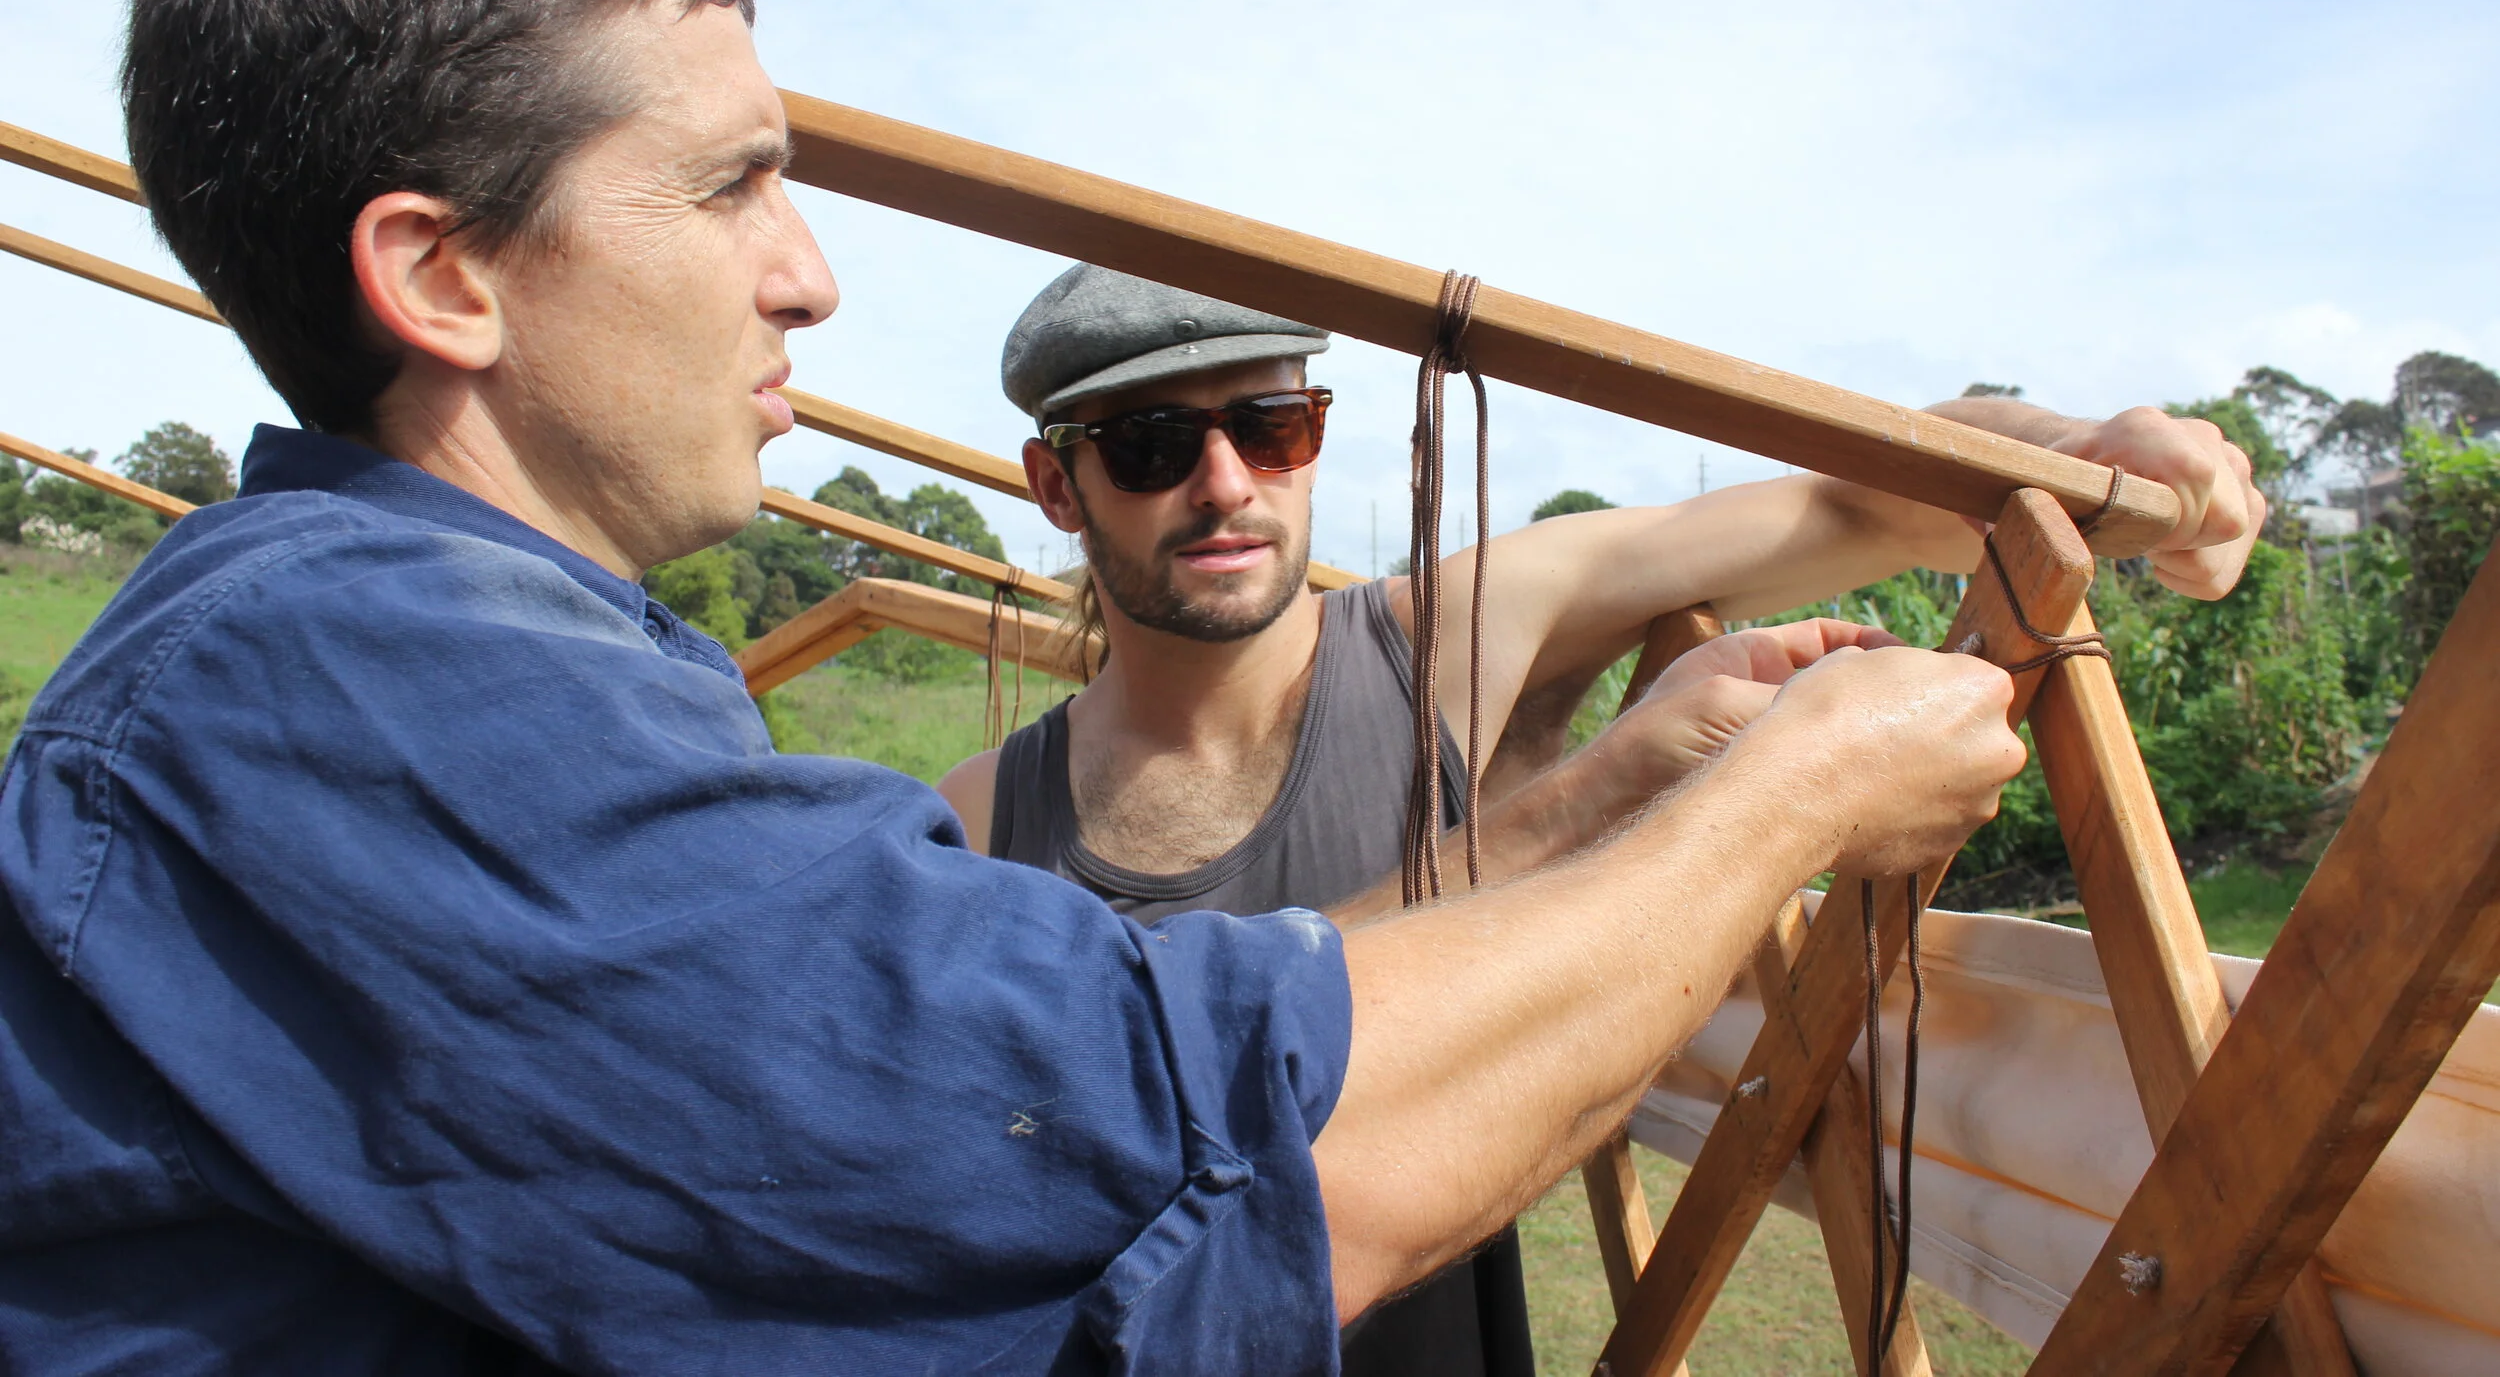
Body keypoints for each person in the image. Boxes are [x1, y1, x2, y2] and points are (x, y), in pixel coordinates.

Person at [3, 0, 2033, 1376]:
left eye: (1272, 416)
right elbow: (1175, 1156)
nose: (807, 275)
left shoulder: (500, 670)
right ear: (443, 276)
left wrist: (1619, 794)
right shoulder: (361, 687)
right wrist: (1779, 806)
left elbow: (1057, 1050)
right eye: (728, 187)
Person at [940, 267, 2263, 1374]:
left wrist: (2090, 450)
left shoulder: (1443, 643)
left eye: (1272, 423)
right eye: (1153, 445)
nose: (1226, 483)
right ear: (1057, 487)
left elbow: (1847, 499)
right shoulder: (979, 821)